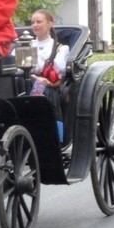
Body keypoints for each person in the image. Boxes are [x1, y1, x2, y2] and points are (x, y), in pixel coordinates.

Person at [28, 9, 69, 141]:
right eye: (33, 22)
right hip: (24, 84)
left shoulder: (60, 49)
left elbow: (60, 79)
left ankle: (48, 134)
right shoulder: (25, 45)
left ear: (50, 24)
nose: (35, 25)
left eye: (39, 22)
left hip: (49, 90)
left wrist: (45, 82)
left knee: (39, 86)